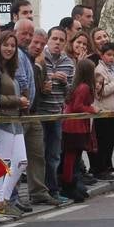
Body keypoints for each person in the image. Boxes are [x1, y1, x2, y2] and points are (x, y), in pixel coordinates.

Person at [0, 31, 28, 219]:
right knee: (1, 163)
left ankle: (1, 200)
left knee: (21, 162)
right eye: (5, 44)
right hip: (2, 121)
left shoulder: (10, 69)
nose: (9, 49)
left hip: (16, 121)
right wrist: (17, 100)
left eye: (13, 45)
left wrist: (21, 102)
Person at [17, 22, 51, 205]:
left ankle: (38, 191)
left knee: (37, 154)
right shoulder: (19, 56)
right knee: (17, 158)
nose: (37, 46)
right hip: (20, 113)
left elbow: (38, 86)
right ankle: (12, 196)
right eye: (35, 42)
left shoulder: (38, 62)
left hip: (35, 112)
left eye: (40, 44)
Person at [40, 26, 74, 201]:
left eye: (61, 40)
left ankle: (53, 190)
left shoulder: (68, 62)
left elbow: (70, 96)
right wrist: (49, 79)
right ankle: (39, 191)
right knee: (39, 154)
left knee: (53, 155)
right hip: (39, 113)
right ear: (48, 39)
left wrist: (65, 83)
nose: (58, 43)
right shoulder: (40, 58)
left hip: (56, 113)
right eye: (55, 39)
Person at [60, 60, 98, 202]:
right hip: (75, 126)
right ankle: (68, 185)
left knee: (74, 157)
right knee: (71, 157)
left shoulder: (78, 86)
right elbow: (78, 106)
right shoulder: (84, 87)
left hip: (73, 125)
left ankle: (73, 183)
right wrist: (92, 109)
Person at [91, 41, 114, 180]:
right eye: (109, 55)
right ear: (102, 55)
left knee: (111, 140)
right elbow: (102, 91)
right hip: (103, 110)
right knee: (103, 141)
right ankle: (100, 169)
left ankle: (108, 164)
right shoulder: (99, 69)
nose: (112, 58)